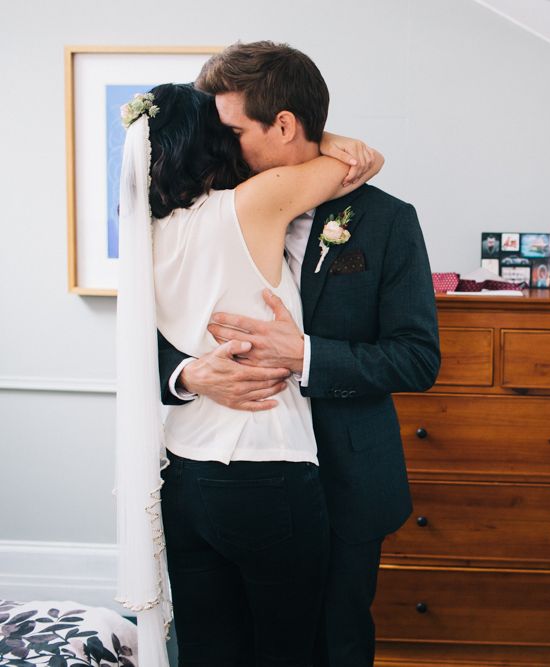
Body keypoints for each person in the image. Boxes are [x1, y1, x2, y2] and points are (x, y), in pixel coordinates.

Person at [157, 42, 440, 667]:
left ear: (283, 125)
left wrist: (307, 354)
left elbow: (417, 357)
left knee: (330, 647)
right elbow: (151, 333)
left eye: (232, 130)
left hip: (346, 479)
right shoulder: (211, 206)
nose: (222, 146)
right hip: (230, 478)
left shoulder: (386, 220)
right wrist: (188, 373)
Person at [115, 82, 385, 667]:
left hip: (183, 473)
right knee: (291, 650)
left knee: (210, 650)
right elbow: (354, 163)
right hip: (267, 467)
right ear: (214, 141)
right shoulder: (249, 205)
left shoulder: (147, 233)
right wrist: (329, 135)